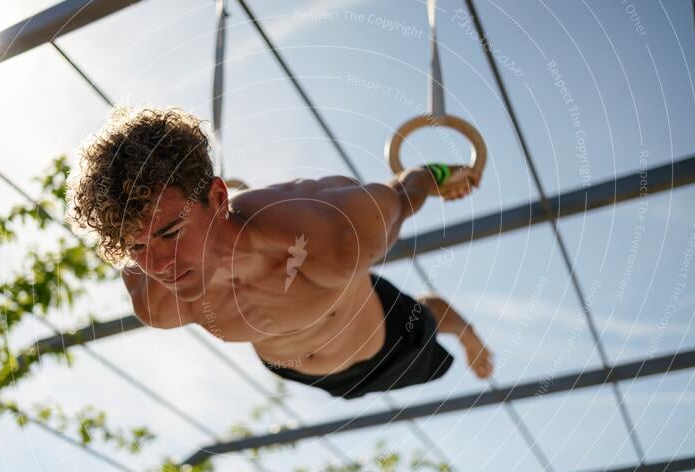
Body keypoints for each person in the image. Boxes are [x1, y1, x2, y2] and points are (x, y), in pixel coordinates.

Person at [66, 107, 493, 400]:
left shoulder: (333, 235)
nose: (158, 266)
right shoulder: (157, 302)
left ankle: (460, 328)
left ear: (218, 198)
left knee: (429, 319)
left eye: (171, 232)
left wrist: (431, 174)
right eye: (136, 247)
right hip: (296, 372)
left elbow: (403, 194)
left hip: (381, 343)